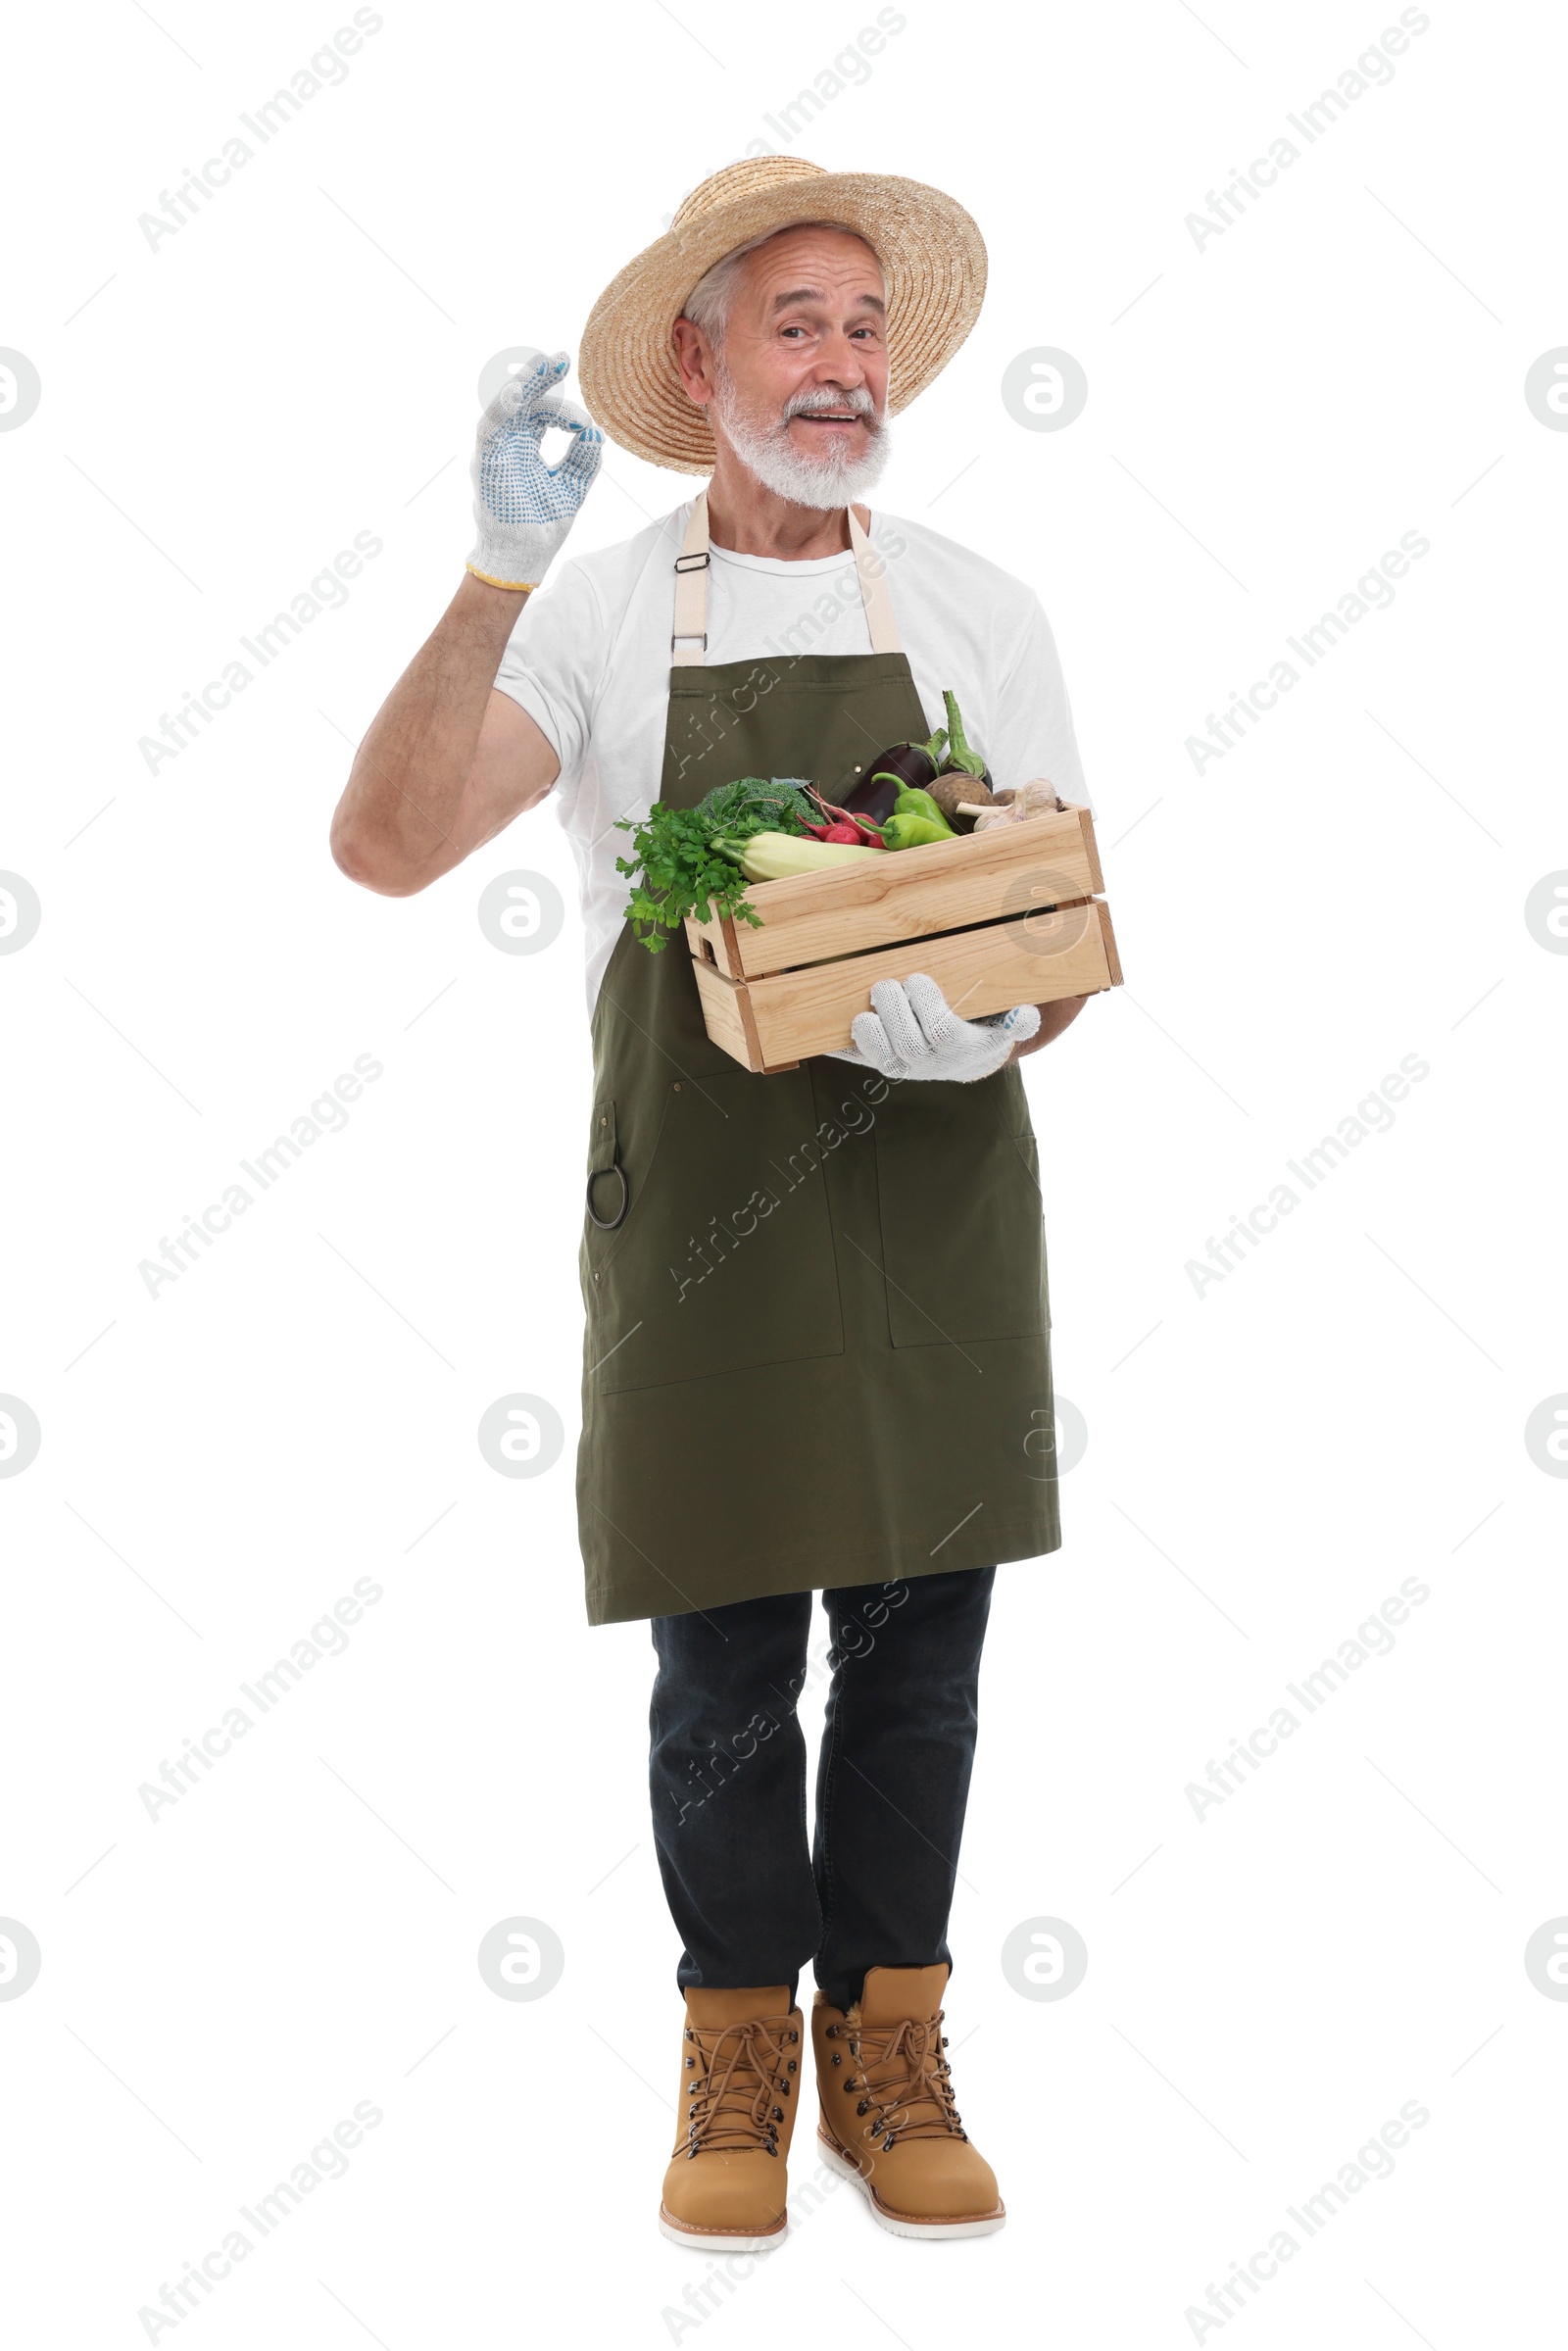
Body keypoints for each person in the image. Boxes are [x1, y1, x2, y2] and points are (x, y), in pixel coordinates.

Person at [330, 156, 1090, 2251]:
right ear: (699, 361)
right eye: (796, 324)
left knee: (922, 1645)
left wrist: (992, 1024)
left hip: (934, 1190)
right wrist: (495, 566)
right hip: (695, 1195)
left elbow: (1049, 920)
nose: (841, 365)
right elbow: (386, 845)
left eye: (864, 329)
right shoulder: (597, 611)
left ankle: (894, 2033)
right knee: (725, 1652)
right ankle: (735, 2040)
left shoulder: (971, 612)